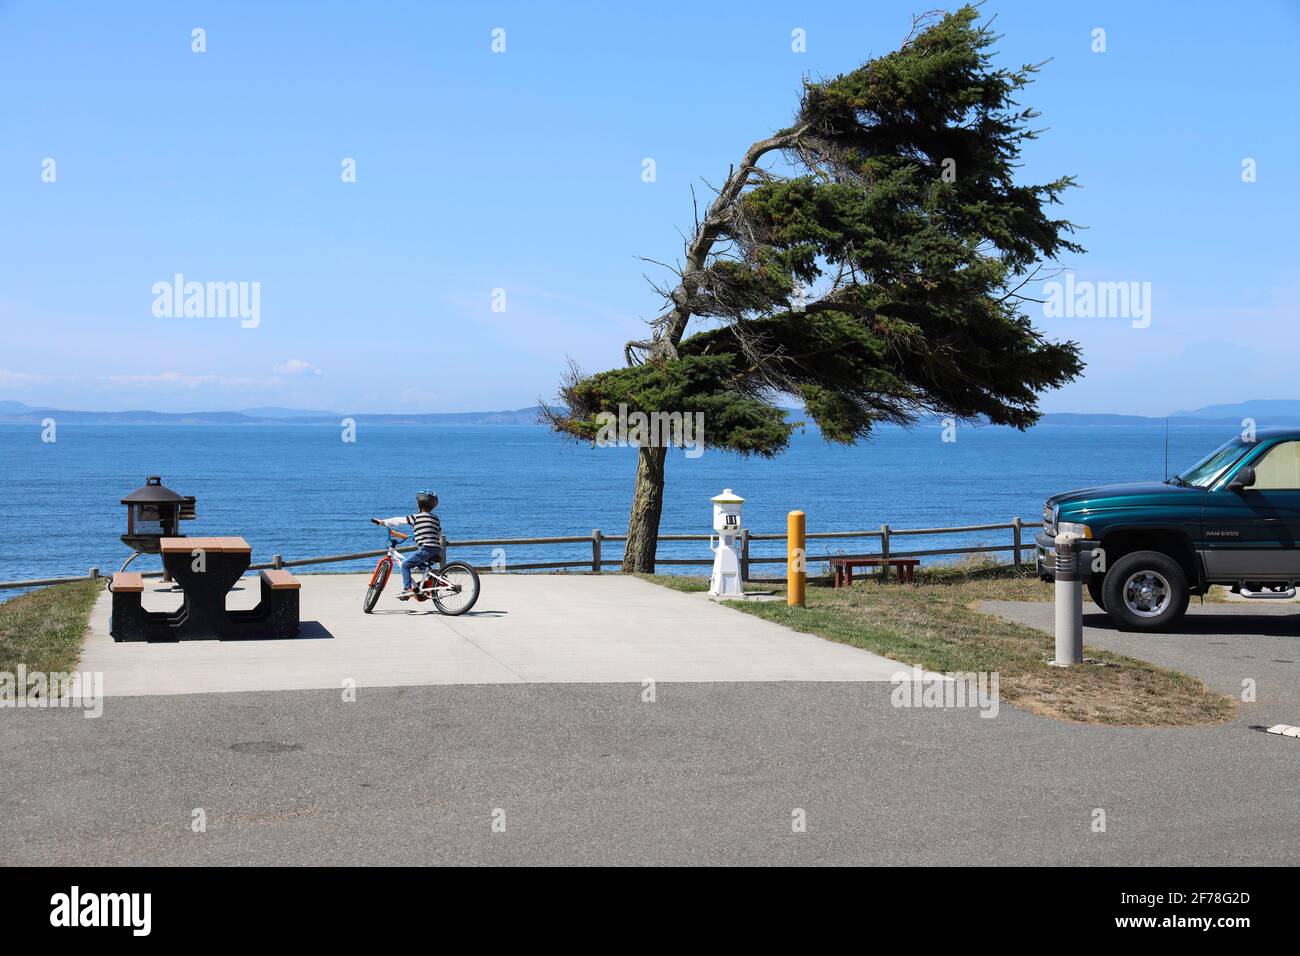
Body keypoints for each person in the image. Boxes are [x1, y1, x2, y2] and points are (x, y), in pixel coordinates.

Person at [371, 490, 443, 599]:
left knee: (406, 565)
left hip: (426, 548)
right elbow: (438, 533)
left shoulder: (416, 517)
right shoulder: (435, 518)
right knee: (419, 563)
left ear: (419, 504)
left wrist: (383, 522)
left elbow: (398, 521)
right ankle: (431, 578)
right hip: (436, 549)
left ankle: (407, 589)